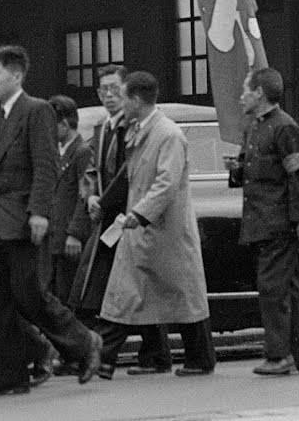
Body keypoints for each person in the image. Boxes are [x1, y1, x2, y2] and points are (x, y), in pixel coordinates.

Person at [0, 46, 102, 395]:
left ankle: (84, 342)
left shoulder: (36, 111)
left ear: (16, 76)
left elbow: (46, 167)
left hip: (23, 222)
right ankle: (7, 378)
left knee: (29, 295)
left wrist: (39, 213)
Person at [98, 71, 216, 379]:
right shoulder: (143, 130)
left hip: (164, 227)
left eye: (123, 96)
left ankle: (195, 358)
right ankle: (139, 358)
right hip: (147, 226)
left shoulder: (168, 134)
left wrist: (139, 213)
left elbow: (167, 182)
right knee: (138, 290)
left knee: (179, 293)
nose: (118, 102)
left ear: (136, 100)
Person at [68, 65, 171, 375]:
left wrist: (105, 202)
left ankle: (108, 355)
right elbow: (91, 170)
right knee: (117, 286)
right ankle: (151, 355)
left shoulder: (134, 127)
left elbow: (130, 173)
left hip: (129, 214)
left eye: (115, 89)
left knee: (128, 286)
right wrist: (90, 197)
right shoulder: (102, 128)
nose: (109, 96)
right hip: (106, 218)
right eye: (103, 90)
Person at [231, 65, 299, 376]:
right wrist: (236, 170)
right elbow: (253, 173)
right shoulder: (254, 127)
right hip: (261, 221)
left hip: (277, 223)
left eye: (246, 91)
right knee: (285, 289)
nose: (241, 97)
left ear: (260, 93)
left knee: (271, 289)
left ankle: (279, 356)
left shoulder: (285, 127)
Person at [45, 95, 92, 304]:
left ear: (64, 125)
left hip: (68, 237)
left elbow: (84, 195)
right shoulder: (60, 151)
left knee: (67, 295)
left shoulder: (82, 152)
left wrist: (74, 233)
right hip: (55, 236)